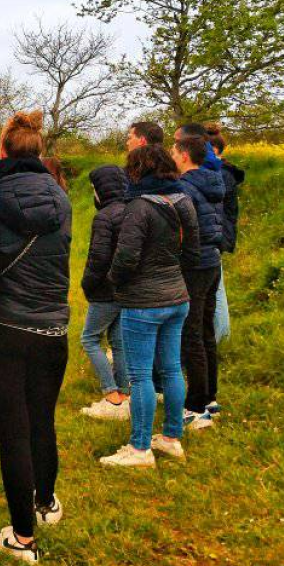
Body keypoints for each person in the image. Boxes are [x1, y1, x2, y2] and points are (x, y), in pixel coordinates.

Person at [0, 111, 72, 566]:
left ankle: (23, 538)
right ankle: (45, 503)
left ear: (3, 150)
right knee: (41, 419)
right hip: (52, 323)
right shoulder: (61, 198)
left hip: (1, 325)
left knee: (13, 430)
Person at [99, 144, 201, 468]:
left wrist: (113, 279)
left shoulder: (138, 207)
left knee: (140, 376)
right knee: (171, 368)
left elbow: (126, 256)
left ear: (137, 171)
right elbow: (193, 252)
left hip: (143, 303)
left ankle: (140, 448)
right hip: (177, 298)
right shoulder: (184, 200)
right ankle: (171, 439)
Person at [172, 130, 226, 430]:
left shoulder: (185, 188)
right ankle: (209, 397)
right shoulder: (214, 184)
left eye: (174, 151)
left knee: (190, 332)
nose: (172, 155)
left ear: (184, 155)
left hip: (194, 263)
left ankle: (194, 405)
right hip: (212, 261)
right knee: (205, 329)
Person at [79, 165, 131, 419]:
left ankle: (111, 394)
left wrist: (87, 283)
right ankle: (124, 393)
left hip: (105, 291)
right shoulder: (133, 211)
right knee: (119, 342)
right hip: (126, 289)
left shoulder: (104, 217)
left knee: (89, 339)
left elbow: (98, 258)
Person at [205, 123, 244, 354]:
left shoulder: (221, 174)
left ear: (214, 150)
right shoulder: (223, 172)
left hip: (217, 235)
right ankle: (219, 337)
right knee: (216, 288)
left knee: (216, 290)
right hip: (219, 233)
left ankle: (220, 338)